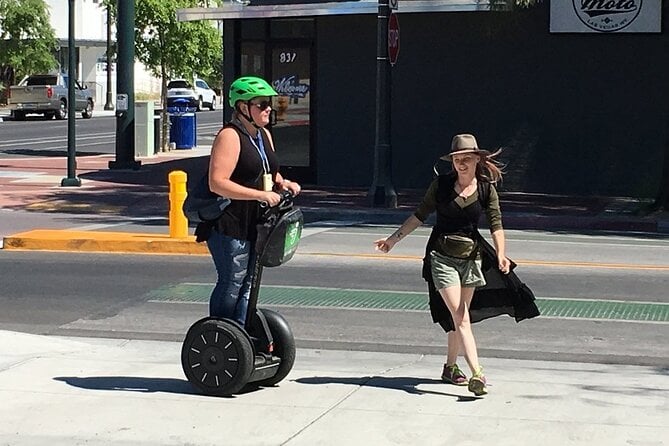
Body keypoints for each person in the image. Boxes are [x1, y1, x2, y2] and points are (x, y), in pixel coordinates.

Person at [374, 133, 539, 396]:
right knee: (461, 317)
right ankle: (478, 374)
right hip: (441, 257)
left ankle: (450, 368)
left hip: (471, 257)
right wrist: (393, 240)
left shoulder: (486, 189)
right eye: (457, 159)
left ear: (477, 160)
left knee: (457, 317)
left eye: (466, 159)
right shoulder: (440, 186)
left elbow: (496, 223)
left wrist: (501, 254)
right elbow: (419, 215)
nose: (461, 164)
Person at [195, 76, 301, 328]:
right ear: (243, 108)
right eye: (261, 104)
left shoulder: (263, 135)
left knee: (249, 284)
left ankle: (239, 335)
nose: (268, 109)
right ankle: (220, 334)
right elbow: (217, 182)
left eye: (269, 103)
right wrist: (260, 195)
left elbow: (266, 169)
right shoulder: (230, 136)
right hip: (230, 224)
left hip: (256, 222)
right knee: (232, 281)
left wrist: (282, 182)